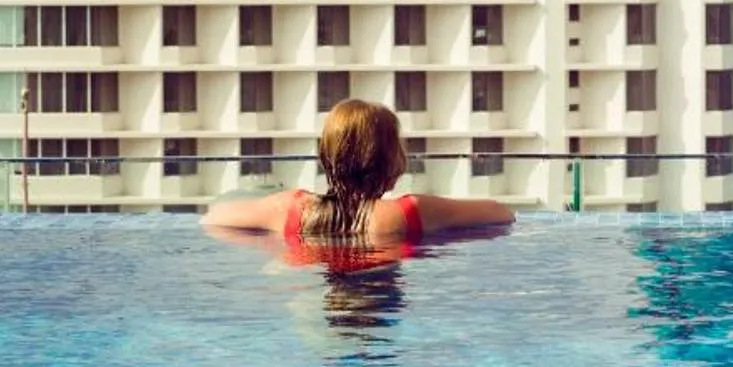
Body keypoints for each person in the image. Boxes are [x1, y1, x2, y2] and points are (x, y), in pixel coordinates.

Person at [202, 98, 513, 254]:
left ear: (326, 155)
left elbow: (213, 218)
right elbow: (502, 214)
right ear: (392, 159)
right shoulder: (410, 212)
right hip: (381, 311)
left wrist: (271, 243)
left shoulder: (290, 209)